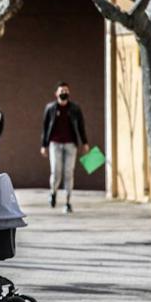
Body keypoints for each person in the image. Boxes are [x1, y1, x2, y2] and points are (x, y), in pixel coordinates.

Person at [40, 81, 89, 213]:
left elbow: (81, 126)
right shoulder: (50, 108)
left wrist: (84, 143)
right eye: (61, 91)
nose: (64, 94)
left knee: (68, 173)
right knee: (56, 171)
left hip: (70, 144)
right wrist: (44, 145)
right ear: (56, 93)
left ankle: (67, 202)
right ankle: (53, 192)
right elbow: (45, 128)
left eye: (66, 91)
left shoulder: (75, 108)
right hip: (54, 144)